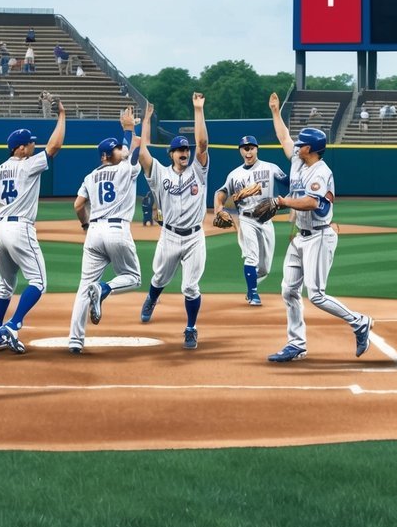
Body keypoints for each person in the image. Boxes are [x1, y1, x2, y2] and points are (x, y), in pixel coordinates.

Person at [262, 92, 373, 363]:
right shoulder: (299, 162)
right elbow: (284, 138)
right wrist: (276, 112)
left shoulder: (321, 173)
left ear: (310, 149)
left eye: (302, 145)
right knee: (288, 290)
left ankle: (359, 322)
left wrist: (280, 201)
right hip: (300, 238)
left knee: (317, 295)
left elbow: (312, 203)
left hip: (320, 237)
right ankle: (296, 344)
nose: (297, 147)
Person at [0, 101, 67, 354]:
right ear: (20, 149)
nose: (34, 146)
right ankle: (13, 324)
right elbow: (54, 147)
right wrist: (62, 115)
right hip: (19, 229)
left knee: (5, 284)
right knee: (38, 282)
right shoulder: (28, 164)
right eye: (30, 143)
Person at [136, 93, 210, 350]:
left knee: (190, 286)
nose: (184, 152)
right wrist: (145, 120)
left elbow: (202, 144)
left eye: (185, 149)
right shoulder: (159, 173)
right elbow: (142, 151)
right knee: (159, 278)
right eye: (179, 149)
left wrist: (198, 109)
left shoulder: (198, 171)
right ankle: (151, 299)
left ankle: (190, 328)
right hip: (169, 236)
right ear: (170, 154)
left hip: (194, 237)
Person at [68, 108, 143, 353]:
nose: (121, 151)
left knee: (83, 286)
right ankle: (103, 289)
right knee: (133, 277)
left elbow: (78, 205)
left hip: (94, 232)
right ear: (107, 155)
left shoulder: (90, 177)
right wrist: (129, 128)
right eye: (117, 150)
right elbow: (135, 150)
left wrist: (85, 225)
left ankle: (75, 341)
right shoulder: (125, 169)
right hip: (117, 230)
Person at [214, 134, 288, 306]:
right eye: (245, 148)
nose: (248, 152)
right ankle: (254, 294)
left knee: (265, 268)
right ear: (240, 151)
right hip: (246, 219)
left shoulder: (271, 168)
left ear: (257, 149)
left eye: (251, 148)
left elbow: (289, 184)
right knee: (251, 257)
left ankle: (251, 287)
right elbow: (221, 193)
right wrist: (219, 208)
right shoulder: (234, 174)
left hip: (266, 220)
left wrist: (282, 202)